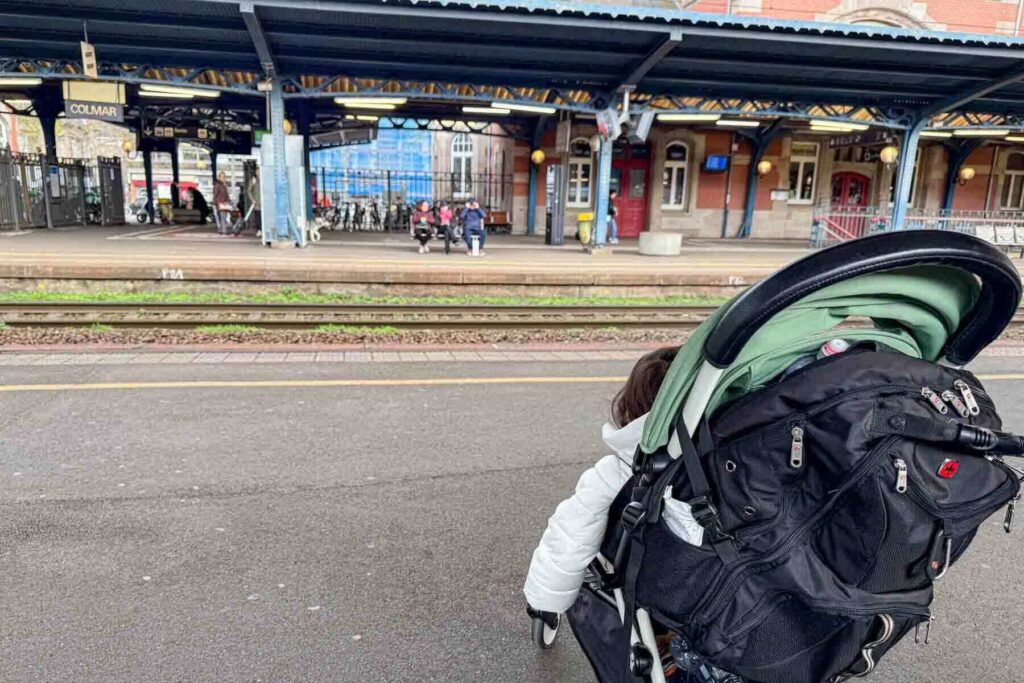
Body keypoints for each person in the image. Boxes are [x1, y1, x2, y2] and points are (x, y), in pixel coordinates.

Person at [523, 346, 699, 617]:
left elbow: (569, 537)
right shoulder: (728, 462)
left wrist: (545, 601)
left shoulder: (615, 473)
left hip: (656, 583)